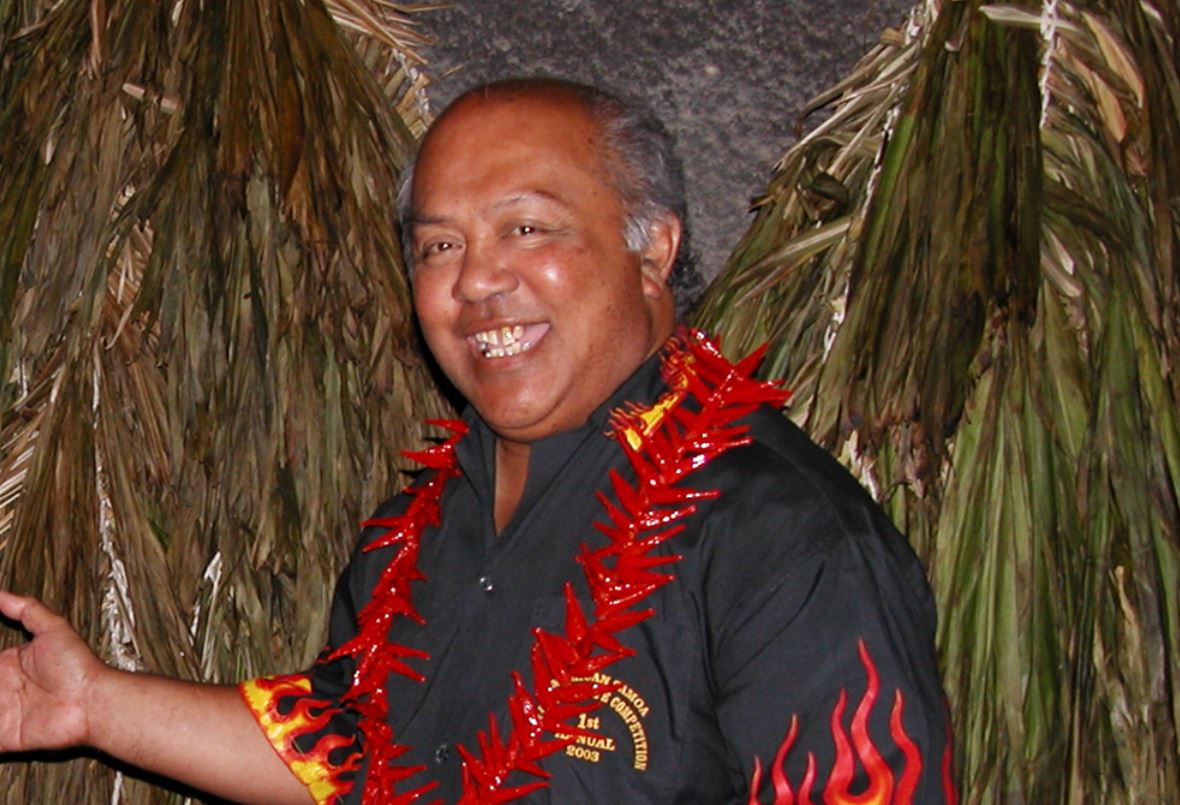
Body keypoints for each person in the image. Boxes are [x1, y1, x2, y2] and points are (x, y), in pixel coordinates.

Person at [0, 77, 954, 803]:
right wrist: (93, 704)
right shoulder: (412, 531)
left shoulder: (785, 541)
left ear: (652, 247)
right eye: (439, 245)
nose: (477, 282)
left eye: (527, 227)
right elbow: (349, 744)